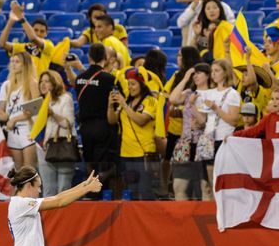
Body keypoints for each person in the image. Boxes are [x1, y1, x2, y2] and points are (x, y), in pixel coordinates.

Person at [74, 44, 119, 196]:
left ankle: (91, 194)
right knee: (104, 165)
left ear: (89, 57)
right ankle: (101, 194)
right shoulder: (109, 79)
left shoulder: (79, 79)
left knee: (90, 164)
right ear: (106, 59)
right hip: (104, 127)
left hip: (85, 128)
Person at [107, 67, 159, 200]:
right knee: (132, 191)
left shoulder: (150, 101)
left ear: (141, 85)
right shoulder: (127, 102)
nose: (130, 87)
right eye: (128, 84)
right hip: (126, 153)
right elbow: (112, 121)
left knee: (145, 191)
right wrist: (110, 106)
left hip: (143, 154)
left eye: (133, 84)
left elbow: (141, 120)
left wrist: (124, 105)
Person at [196, 59, 241, 200]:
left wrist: (216, 108)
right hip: (208, 138)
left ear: (225, 72)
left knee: (220, 181)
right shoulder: (209, 93)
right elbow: (203, 120)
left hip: (224, 139)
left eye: (217, 70)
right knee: (206, 183)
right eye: (212, 71)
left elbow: (233, 120)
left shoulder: (232, 94)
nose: (213, 74)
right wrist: (192, 108)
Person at [168, 62, 210, 201]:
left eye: (199, 73)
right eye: (194, 74)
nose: (195, 76)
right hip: (185, 142)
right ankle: (182, 220)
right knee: (179, 186)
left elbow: (204, 122)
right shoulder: (188, 93)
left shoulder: (213, 95)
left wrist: (192, 106)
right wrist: (185, 78)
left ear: (208, 75)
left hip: (204, 143)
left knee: (205, 187)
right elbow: (173, 99)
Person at [0, 52, 40, 171]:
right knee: (17, 175)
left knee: (29, 173)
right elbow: (1, 110)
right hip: (12, 133)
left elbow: (35, 109)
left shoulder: (32, 83)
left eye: (17, 62)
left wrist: (14, 119)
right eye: (12, 61)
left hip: (28, 132)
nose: (13, 64)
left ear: (25, 65)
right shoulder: (6, 85)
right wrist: (2, 116)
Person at [38, 71, 76, 197]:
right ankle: (49, 217)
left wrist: (52, 113)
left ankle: (64, 217)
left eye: (47, 81)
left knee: (63, 191)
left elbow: (67, 123)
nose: (43, 84)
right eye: (41, 81)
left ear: (55, 83)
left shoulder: (65, 98)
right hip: (44, 150)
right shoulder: (41, 102)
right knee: (48, 192)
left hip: (62, 148)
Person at [0, 1, 55, 77]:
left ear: (46, 34)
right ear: (31, 30)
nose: (38, 33)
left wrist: (20, 17)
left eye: (42, 31)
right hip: (23, 86)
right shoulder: (22, 47)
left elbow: (33, 38)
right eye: (36, 30)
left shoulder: (49, 45)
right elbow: (1, 44)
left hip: (38, 85)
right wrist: (11, 21)